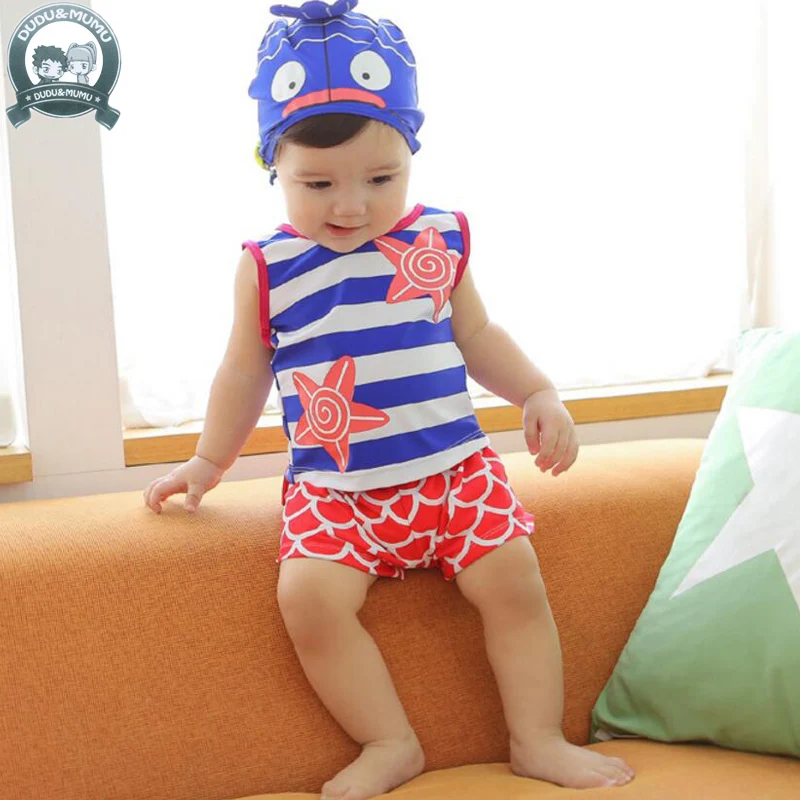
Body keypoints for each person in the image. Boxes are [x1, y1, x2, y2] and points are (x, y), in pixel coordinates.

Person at [143, 2, 636, 797]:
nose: (352, 206)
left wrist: (537, 391)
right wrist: (207, 462)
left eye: (382, 179)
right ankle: (390, 741)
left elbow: (477, 335)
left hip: (456, 475)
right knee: (309, 600)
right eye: (317, 184)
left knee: (515, 583)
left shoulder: (437, 239)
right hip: (337, 493)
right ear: (273, 168)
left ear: (412, 156)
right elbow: (242, 372)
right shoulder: (269, 267)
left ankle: (538, 739)